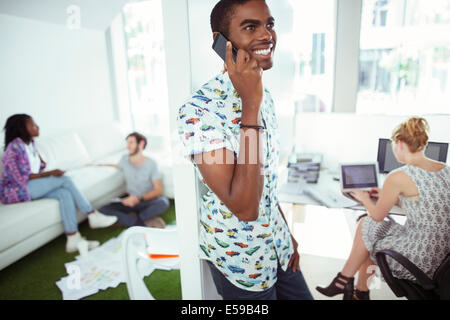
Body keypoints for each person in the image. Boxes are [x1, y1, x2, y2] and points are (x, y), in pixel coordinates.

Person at [176, 0, 313, 300]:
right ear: (219, 41)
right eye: (250, 27)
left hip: (278, 245)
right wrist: (250, 105)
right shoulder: (199, 110)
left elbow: (266, 187)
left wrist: (285, 232)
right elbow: (245, 206)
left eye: (269, 24)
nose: (267, 35)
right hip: (242, 264)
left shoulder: (268, 99)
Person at [316, 117, 450, 300]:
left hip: (419, 259)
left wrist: (364, 198)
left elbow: (377, 215)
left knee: (367, 224)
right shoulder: (445, 170)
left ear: (400, 143)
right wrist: (393, 198)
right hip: (442, 258)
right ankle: (358, 290)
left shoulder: (399, 175)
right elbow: (428, 202)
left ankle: (345, 281)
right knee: (372, 234)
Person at [0, 114, 118, 253]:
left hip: (30, 186)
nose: (37, 127)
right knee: (65, 180)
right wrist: (50, 174)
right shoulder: (14, 148)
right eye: (32, 125)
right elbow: (21, 178)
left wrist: (47, 171)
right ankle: (92, 214)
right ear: (22, 128)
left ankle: (73, 238)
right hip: (17, 190)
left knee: (64, 193)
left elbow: (36, 168)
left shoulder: (30, 145)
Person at [97, 132, 169, 228]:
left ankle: (130, 220)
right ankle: (140, 221)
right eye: (127, 143)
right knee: (103, 209)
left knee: (163, 202)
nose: (127, 146)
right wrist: (99, 164)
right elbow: (117, 165)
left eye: (131, 143)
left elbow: (158, 190)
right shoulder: (124, 159)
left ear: (141, 144)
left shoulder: (152, 164)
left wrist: (138, 198)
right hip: (129, 201)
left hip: (146, 201)